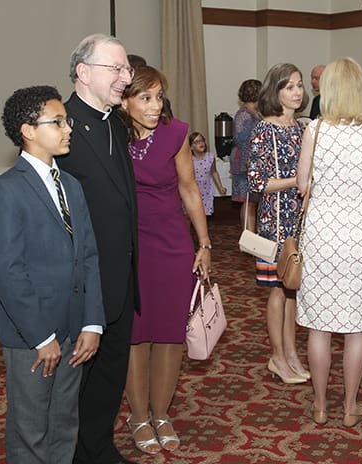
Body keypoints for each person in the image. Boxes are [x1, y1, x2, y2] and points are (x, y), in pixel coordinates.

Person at [0, 85, 105, 463]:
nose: (68, 129)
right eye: (57, 122)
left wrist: (92, 323)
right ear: (28, 130)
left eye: (66, 121)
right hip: (30, 335)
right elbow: (7, 272)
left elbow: (88, 256)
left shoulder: (70, 185)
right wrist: (41, 337)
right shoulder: (5, 190)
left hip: (72, 328)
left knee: (63, 423)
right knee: (30, 428)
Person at [119, 65, 212, 455]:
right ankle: (138, 415)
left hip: (172, 243)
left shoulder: (175, 133)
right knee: (135, 334)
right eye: (146, 98)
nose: (156, 106)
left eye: (159, 97)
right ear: (124, 101)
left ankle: (161, 413)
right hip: (127, 245)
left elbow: (189, 188)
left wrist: (204, 243)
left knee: (171, 332)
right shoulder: (111, 135)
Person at [58, 33, 138, 464]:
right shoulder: (61, 125)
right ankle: (70, 451)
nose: (126, 78)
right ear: (84, 73)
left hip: (121, 273)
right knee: (77, 377)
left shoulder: (114, 123)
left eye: (126, 69)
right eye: (117, 69)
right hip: (82, 280)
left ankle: (97, 446)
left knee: (110, 371)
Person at [296, 57, 362, 427]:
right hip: (361, 237)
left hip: (322, 237)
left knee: (319, 325)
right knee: (356, 327)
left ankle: (319, 406)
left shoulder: (315, 130)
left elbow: (302, 185)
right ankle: (349, 408)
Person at [248, 62, 310, 385]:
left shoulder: (303, 127)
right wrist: (296, 182)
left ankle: (291, 353)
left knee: (292, 290)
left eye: (299, 85)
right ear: (276, 91)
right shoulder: (264, 128)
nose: (297, 92)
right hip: (274, 218)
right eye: (289, 86)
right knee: (276, 290)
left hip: (300, 219)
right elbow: (257, 182)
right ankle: (277, 355)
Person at [230, 79, 262, 231]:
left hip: (249, 161)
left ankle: (249, 236)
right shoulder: (243, 114)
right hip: (245, 162)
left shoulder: (254, 114)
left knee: (251, 202)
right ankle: (248, 237)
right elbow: (243, 140)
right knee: (248, 201)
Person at [190, 131, 227, 216]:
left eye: (202, 140)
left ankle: (202, 229)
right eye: (196, 142)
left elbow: (214, 172)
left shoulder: (210, 157)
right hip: (194, 190)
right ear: (191, 147)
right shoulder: (189, 160)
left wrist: (220, 186)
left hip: (206, 190)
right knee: (193, 213)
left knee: (203, 213)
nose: (201, 143)